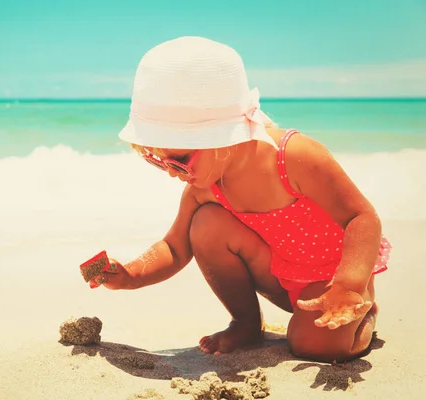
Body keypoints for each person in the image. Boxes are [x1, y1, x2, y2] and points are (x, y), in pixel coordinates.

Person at [93, 36, 392, 363]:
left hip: (335, 283)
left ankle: (364, 315)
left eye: (178, 160)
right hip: (278, 274)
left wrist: (349, 283)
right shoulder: (205, 185)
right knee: (206, 224)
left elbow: (361, 218)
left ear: (220, 137)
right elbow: (176, 247)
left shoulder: (293, 157)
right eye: (156, 159)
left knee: (314, 347)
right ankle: (247, 323)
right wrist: (132, 274)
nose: (170, 172)